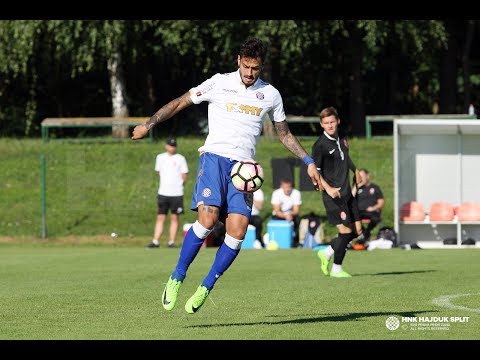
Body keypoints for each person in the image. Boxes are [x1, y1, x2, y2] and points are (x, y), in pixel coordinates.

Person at [132, 37, 337, 314]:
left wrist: (309, 161)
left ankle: (206, 286)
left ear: (261, 66)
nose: (250, 73)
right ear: (238, 61)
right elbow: (181, 102)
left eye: (255, 68)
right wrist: (148, 124)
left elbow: (284, 134)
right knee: (207, 219)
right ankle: (177, 276)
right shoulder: (219, 82)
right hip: (214, 158)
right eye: (246, 66)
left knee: (238, 231)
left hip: (244, 169)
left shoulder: (271, 95)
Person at [311, 106, 363, 278]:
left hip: (348, 193)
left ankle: (326, 252)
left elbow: (345, 158)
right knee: (346, 232)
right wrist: (329, 188)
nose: (330, 125)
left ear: (338, 121)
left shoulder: (342, 138)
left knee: (357, 231)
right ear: (321, 124)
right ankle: (336, 269)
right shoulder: (319, 145)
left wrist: (356, 170)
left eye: (332, 122)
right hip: (333, 197)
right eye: (326, 123)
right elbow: (315, 172)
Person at [145, 137, 189, 249]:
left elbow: (184, 175)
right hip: (163, 192)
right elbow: (159, 172)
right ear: (166, 146)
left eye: (174, 146)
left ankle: (171, 241)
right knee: (160, 217)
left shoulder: (181, 158)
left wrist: (178, 185)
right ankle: (155, 241)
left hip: (177, 193)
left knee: (175, 218)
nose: (172, 147)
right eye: (170, 145)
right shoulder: (160, 157)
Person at [354, 168, 384, 242]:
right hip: (359, 212)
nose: (360, 178)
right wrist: (356, 186)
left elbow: (381, 202)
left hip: (372, 211)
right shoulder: (356, 189)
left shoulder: (375, 187)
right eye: (359, 176)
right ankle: (365, 234)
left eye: (362, 176)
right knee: (351, 218)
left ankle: (366, 234)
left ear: (367, 176)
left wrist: (374, 208)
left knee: (376, 217)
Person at [271, 178, 302, 247]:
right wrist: (285, 216)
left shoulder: (296, 193)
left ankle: (296, 242)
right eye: (285, 187)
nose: (287, 189)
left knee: (297, 220)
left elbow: (296, 210)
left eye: (289, 187)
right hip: (279, 215)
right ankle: (277, 241)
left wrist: (290, 215)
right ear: (281, 186)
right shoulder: (276, 193)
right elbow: (276, 211)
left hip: (291, 214)